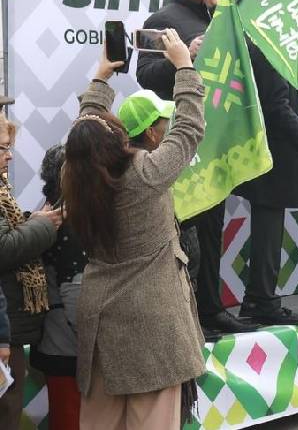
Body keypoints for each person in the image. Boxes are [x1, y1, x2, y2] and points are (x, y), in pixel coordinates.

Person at [66, 31, 205, 429]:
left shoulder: (75, 177)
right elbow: (189, 130)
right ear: (116, 141)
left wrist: (100, 78)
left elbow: (83, 136)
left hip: (100, 328)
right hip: (153, 330)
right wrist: (184, 66)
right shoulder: (143, 174)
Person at [136, 0, 254, 338]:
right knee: (187, 233)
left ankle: (213, 308)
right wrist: (184, 56)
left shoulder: (218, 18)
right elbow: (145, 75)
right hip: (179, 144)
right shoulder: (162, 21)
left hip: (214, 139)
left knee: (213, 229)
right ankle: (188, 317)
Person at [235, 43, 298, 326]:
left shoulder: (275, 48)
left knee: (270, 229)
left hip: (275, 154)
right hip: (272, 154)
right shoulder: (268, 49)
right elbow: (277, 106)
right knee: (268, 230)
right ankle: (261, 299)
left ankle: (261, 298)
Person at [0, 116, 61, 427]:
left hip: (10, 325)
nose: (10, 155)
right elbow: (3, 249)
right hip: (4, 328)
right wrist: (42, 227)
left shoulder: (2, 187)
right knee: (8, 408)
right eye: (3, 149)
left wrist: (28, 219)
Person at [31, 144, 87, 430]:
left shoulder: (49, 209)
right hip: (70, 347)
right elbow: (74, 292)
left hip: (55, 341)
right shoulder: (69, 218)